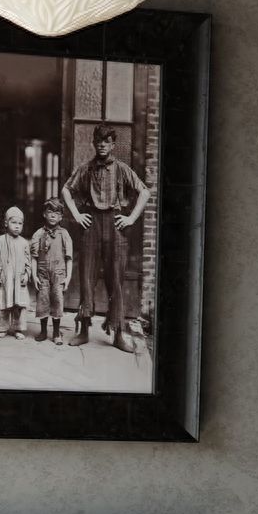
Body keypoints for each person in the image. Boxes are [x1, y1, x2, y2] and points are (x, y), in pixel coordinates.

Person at [62, 124, 151, 352]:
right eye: (99, 142)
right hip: (91, 224)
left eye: (106, 142)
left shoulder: (122, 169)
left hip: (115, 226)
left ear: (113, 145)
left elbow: (144, 192)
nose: (102, 145)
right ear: (94, 143)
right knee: (86, 277)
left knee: (116, 281)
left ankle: (118, 333)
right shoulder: (86, 168)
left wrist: (130, 218)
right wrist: (77, 214)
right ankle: (83, 330)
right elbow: (66, 190)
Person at [29, 197, 73, 347]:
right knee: (42, 301)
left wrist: (68, 277)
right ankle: (43, 331)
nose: (53, 215)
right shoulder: (38, 234)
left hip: (59, 274)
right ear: (44, 214)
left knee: (57, 301)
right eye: (50, 212)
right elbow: (34, 257)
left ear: (61, 217)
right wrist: (34, 275)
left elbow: (69, 258)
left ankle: (56, 332)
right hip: (42, 273)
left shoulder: (64, 234)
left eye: (57, 213)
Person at [0, 206, 32, 341]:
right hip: (4, 278)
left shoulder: (24, 243)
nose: (17, 226)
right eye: (14, 222)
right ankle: (2, 328)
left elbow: (28, 261)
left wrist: (27, 274)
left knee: (19, 305)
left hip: (19, 279)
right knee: (3, 302)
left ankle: (18, 329)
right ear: (6, 223)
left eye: (20, 223)